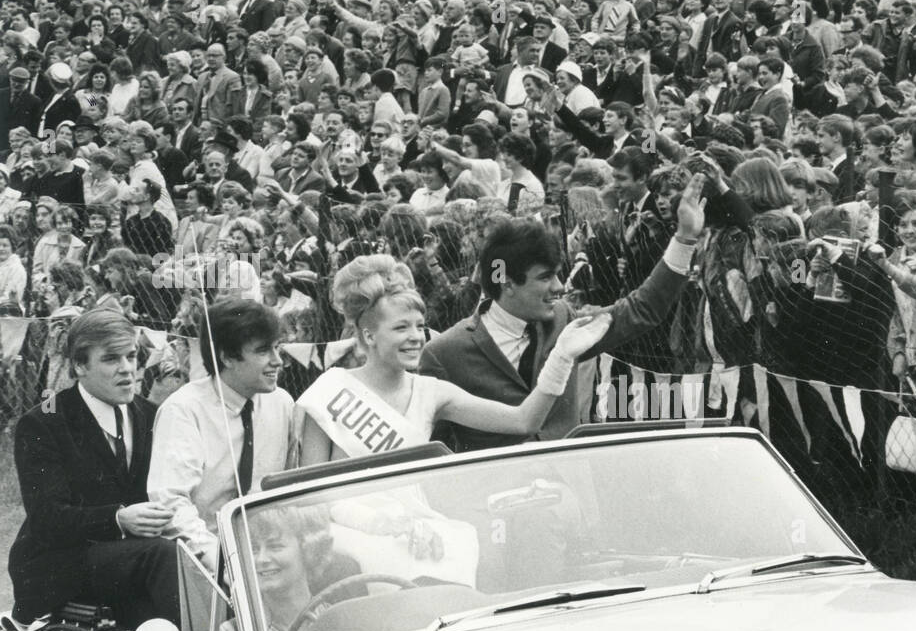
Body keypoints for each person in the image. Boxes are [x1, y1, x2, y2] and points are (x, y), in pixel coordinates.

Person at [419, 173, 706, 452]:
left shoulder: (563, 320)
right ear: (506, 283)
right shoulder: (443, 354)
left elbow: (641, 310)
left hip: (569, 487)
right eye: (545, 277)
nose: (558, 287)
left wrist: (684, 239)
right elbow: (435, 452)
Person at [296, 256, 611, 465]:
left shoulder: (433, 392)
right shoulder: (331, 391)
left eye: (420, 326)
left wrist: (562, 356)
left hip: (415, 534)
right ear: (368, 335)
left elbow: (523, 421)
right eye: (401, 327)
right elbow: (310, 493)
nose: (417, 337)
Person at [9, 309, 179, 628]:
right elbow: (47, 519)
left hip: (125, 562)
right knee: (162, 555)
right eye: (112, 359)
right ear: (79, 365)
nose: (127, 369)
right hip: (56, 565)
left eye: (131, 356)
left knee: (160, 622)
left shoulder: (152, 415)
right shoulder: (44, 422)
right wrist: (117, 518)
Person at [148, 300, 294, 570]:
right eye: (263, 351)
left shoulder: (282, 403)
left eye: (277, 348)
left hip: (269, 550)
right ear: (226, 357)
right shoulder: (184, 410)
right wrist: (222, 563)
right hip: (205, 556)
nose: (278, 361)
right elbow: (170, 502)